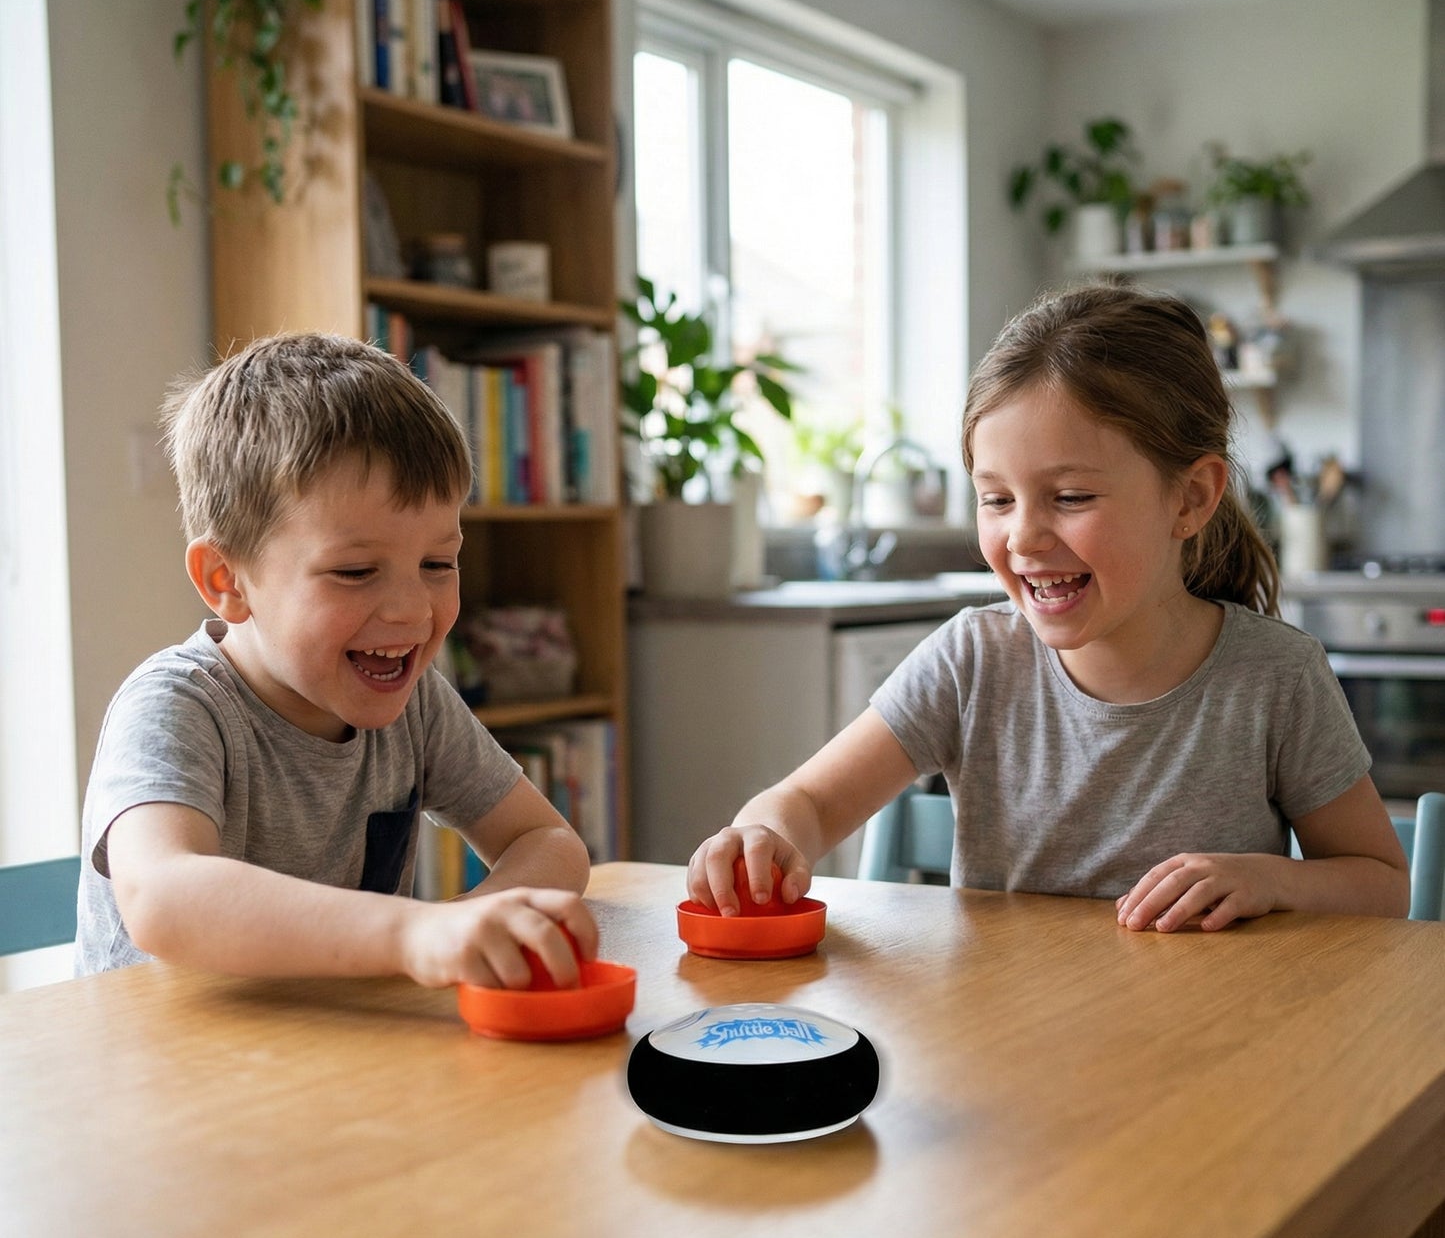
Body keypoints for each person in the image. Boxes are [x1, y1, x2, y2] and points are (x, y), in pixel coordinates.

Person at [689, 283, 1409, 932]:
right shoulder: (971, 658)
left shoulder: (1275, 675)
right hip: (1009, 1051)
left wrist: (1269, 880)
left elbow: (1381, 884)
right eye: (995, 499)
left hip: (1209, 1053)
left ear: (1189, 497)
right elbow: (808, 804)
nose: (1023, 536)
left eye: (1070, 497)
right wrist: (763, 835)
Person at [78, 332, 597, 986]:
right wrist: (413, 934)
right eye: (355, 571)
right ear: (226, 581)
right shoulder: (176, 706)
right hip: (170, 1074)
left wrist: (467, 924)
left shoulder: (419, 703)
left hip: (339, 1053)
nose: (412, 609)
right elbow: (162, 899)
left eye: (438, 563)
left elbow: (548, 844)